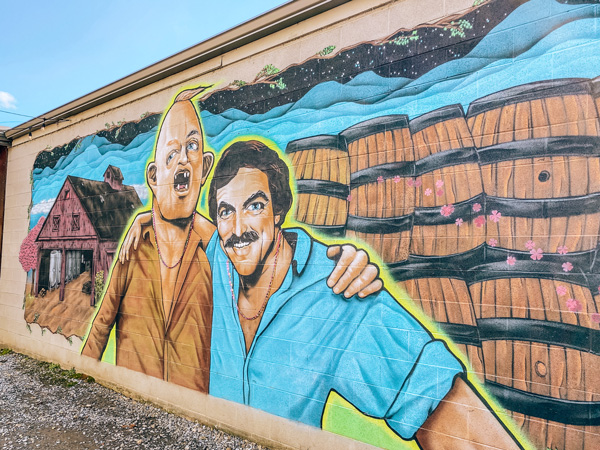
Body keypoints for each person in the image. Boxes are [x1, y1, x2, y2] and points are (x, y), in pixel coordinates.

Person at [205, 140, 523, 449]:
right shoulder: (213, 263)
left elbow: (439, 403)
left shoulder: (339, 289)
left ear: (278, 210)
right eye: (225, 212)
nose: (237, 228)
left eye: (254, 206)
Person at [89, 86, 384, 393]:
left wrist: (346, 264)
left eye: (191, 148)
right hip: (130, 402)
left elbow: (241, 236)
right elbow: (99, 327)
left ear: (204, 167)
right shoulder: (141, 249)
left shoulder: (216, 251)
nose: (183, 161)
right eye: (172, 154)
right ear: (153, 176)